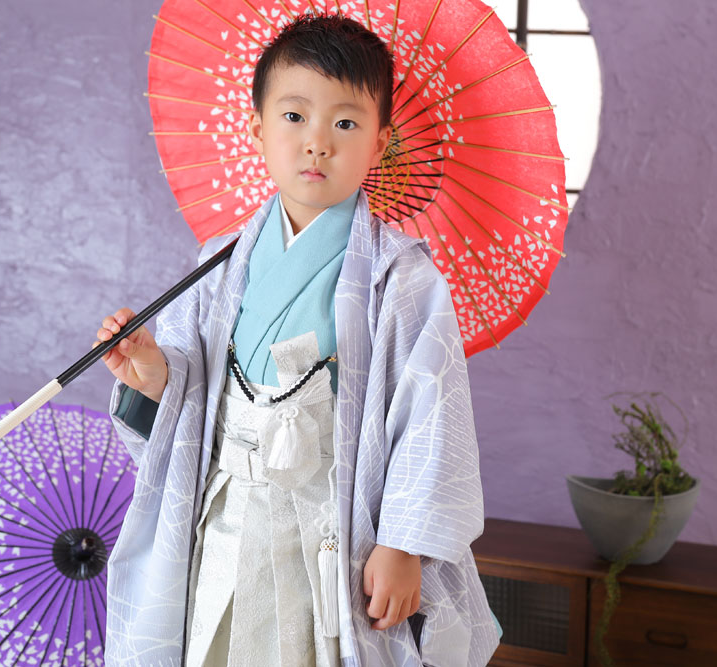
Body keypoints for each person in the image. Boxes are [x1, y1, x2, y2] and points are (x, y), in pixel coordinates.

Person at [96, 13, 500, 667]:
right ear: (258, 128)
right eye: (294, 117)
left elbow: (431, 415)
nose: (317, 143)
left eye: (346, 123)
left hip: (331, 521)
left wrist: (403, 544)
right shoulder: (220, 261)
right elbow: (194, 392)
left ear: (381, 141)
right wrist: (154, 375)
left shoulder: (400, 277)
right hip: (226, 512)